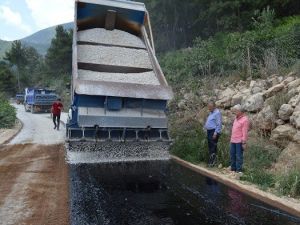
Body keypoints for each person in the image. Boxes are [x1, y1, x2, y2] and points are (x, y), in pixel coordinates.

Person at [230, 104, 249, 173]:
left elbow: (245, 132)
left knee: (238, 156)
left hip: (239, 141)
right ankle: (233, 169)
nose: (234, 112)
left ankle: (239, 170)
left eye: (235, 111)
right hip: (233, 140)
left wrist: (244, 142)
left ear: (239, 111)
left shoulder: (245, 119)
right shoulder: (236, 118)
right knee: (232, 155)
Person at [204, 101, 222, 167]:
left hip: (213, 132)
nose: (209, 108)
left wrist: (215, 133)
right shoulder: (211, 113)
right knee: (210, 147)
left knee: (213, 147)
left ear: (214, 106)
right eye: (208, 107)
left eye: (210, 107)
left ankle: (212, 163)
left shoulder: (217, 113)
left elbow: (219, 124)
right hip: (209, 131)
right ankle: (211, 161)